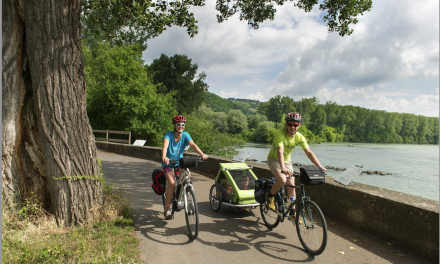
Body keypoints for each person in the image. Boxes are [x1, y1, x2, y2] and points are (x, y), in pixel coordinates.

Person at [266, 112, 327, 215]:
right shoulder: (280, 134)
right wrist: (283, 167)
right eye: (290, 124)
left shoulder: (299, 137)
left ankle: (292, 211)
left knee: (291, 184)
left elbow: (309, 152)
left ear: (299, 125)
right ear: (286, 124)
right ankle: (270, 196)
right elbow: (280, 152)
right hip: (274, 159)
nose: (293, 127)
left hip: (287, 161)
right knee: (282, 180)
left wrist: (320, 167)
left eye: (295, 125)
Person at [162, 115, 208, 220]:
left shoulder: (185, 135)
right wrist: (164, 157)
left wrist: (202, 154)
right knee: (172, 184)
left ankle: (182, 195)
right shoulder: (168, 135)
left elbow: (192, 145)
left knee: (187, 176)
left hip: (180, 162)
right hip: (168, 164)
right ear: (174, 125)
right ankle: (167, 208)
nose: (181, 126)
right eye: (178, 124)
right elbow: (165, 146)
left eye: (183, 125)